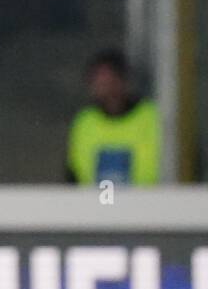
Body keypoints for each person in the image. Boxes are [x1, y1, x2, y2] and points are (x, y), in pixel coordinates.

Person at [66, 48, 160, 186]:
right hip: (95, 203)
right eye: (99, 83)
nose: (105, 89)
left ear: (122, 80)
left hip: (153, 203)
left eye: (109, 81)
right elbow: (72, 173)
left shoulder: (152, 117)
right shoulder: (85, 122)